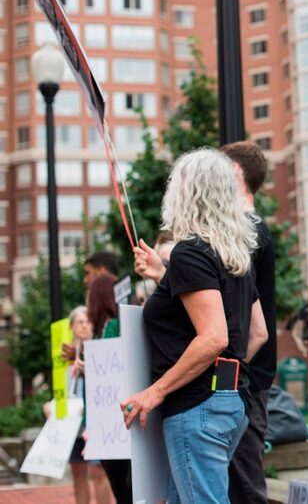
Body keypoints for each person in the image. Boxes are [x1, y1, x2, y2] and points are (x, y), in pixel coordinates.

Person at [121, 149, 268, 504]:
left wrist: (155, 391)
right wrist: (223, 379)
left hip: (197, 406)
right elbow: (257, 333)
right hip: (228, 401)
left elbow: (213, 336)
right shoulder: (235, 256)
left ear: (184, 193)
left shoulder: (190, 253)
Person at [220, 141, 278, 504]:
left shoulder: (247, 231)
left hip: (244, 382)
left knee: (243, 486)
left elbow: (250, 325)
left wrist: (224, 377)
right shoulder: (249, 230)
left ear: (236, 173)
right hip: (242, 379)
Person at [46, 306, 113, 504]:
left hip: (94, 418)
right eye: (80, 322)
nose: (84, 326)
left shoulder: (99, 348)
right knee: (77, 470)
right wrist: (51, 404)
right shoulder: (63, 355)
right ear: (71, 326)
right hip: (70, 422)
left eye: (88, 321)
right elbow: (61, 388)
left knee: (98, 470)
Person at [87, 273, 132, 503]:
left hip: (118, 426)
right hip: (110, 426)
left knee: (125, 490)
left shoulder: (115, 326)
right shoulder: (103, 329)